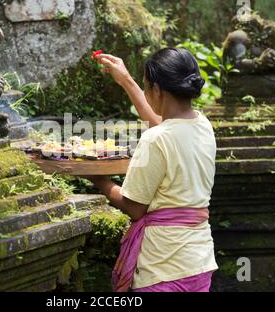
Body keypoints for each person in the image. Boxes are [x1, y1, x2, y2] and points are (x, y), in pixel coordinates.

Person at [85, 48, 218, 292]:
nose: (146, 92)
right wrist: (126, 80)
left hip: (163, 266)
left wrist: (97, 178)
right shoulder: (202, 124)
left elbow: (134, 207)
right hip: (198, 260)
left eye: (146, 87)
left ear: (157, 90)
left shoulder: (155, 139)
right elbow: (165, 126)